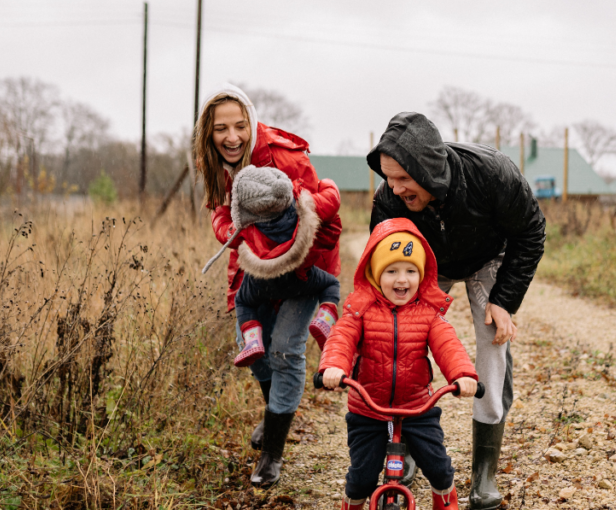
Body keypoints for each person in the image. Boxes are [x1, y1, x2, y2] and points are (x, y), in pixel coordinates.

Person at [367, 112, 545, 509]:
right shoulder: (388, 201)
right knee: (403, 336)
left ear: (426, 168)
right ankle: (405, 441)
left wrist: (504, 301)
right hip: (426, 263)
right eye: (388, 178)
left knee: (492, 343)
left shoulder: (492, 174)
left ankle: (485, 474)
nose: (393, 189)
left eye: (402, 179)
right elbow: (380, 261)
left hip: (488, 257)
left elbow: (531, 232)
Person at [193, 83, 342, 485]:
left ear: (252, 123)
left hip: (303, 269)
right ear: (208, 133)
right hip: (253, 267)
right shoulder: (214, 163)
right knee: (253, 348)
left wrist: (293, 263)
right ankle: (273, 414)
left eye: (240, 125)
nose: (232, 137)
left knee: (285, 350)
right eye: (221, 128)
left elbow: (324, 215)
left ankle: (272, 456)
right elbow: (218, 212)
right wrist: (233, 232)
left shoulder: (280, 156)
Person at [319, 218, 478, 510]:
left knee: (439, 467)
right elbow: (341, 337)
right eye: (391, 271)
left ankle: (446, 501)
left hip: (417, 408)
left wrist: (463, 375)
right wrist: (334, 367)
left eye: (410, 271)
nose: (401, 280)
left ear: (422, 275)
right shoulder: (361, 310)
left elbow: (448, 345)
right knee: (361, 478)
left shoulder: (429, 314)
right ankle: (352, 504)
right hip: (368, 409)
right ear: (376, 274)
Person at [201, 165, 341, 368]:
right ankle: (325, 319)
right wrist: (325, 184)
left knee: (243, 301)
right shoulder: (301, 211)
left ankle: (252, 340)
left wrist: (219, 208)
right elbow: (332, 204)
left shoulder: (245, 227)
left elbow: (223, 232)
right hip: (298, 278)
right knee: (331, 284)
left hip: (260, 282)